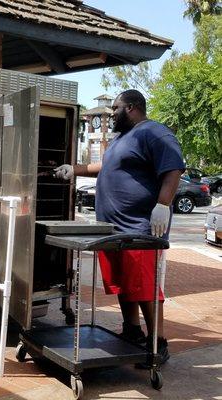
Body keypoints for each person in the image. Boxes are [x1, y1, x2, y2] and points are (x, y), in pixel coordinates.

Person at [54, 89, 185, 365]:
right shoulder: (121, 139)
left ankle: (157, 344)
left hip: (140, 230)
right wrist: (73, 169)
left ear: (133, 107)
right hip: (113, 229)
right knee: (124, 285)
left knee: (145, 287)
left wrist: (163, 204)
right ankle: (132, 332)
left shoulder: (154, 132)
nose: (112, 113)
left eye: (116, 108)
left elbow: (173, 168)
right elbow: (104, 166)